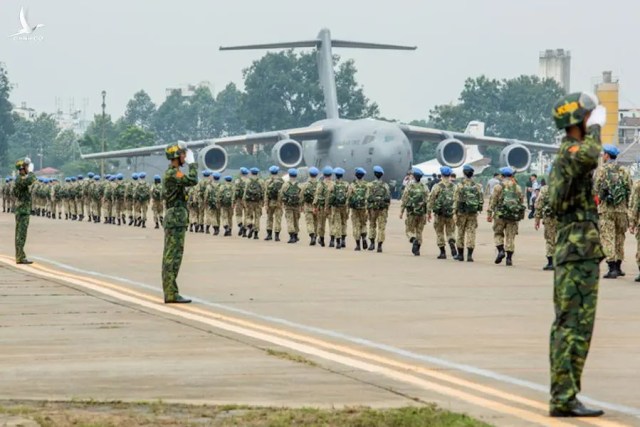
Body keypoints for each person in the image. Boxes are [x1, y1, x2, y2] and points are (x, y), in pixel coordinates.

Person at [548, 92, 606, 418]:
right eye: (588, 117)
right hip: (576, 250)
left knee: (577, 327)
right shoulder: (571, 152)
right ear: (578, 121)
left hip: (579, 250)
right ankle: (563, 397)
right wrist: (596, 130)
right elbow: (589, 156)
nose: (592, 121)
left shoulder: (570, 153)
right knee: (572, 326)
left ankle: (567, 395)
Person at [162, 142, 197, 304]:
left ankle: (172, 292)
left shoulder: (174, 173)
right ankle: (170, 293)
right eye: (183, 154)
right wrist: (193, 164)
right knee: (172, 256)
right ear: (176, 156)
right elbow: (193, 180)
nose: (185, 156)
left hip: (177, 218)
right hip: (175, 218)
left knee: (175, 255)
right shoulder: (172, 174)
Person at [594, 144, 632, 279]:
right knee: (620, 237)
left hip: (606, 209)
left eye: (604, 154)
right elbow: (629, 189)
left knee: (608, 237)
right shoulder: (624, 170)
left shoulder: (601, 170)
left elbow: (596, 189)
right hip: (622, 210)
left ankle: (611, 269)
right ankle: (618, 266)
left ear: (607, 155)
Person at [487, 167, 525, 266]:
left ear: (502, 176)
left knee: (498, 233)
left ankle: (501, 251)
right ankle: (509, 259)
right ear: (512, 176)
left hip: (500, 215)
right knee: (510, 236)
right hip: (513, 215)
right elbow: (521, 201)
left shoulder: (498, 186)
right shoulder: (517, 187)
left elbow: (493, 201)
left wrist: (489, 214)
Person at [453, 164, 483, 262]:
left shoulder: (459, 185)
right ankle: (469, 256)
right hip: (473, 213)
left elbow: (456, 200)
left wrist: (454, 212)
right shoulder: (477, 186)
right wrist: (478, 209)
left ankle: (460, 255)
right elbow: (480, 200)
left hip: (461, 212)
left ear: (464, 173)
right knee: (471, 233)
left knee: (460, 233)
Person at [429, 166, 457, 259]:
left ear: (441, 175)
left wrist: (428, 212)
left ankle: (442, 252)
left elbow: (431, 199)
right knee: (451, 231)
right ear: (450, 175)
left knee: (439, 232)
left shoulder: (437, 186)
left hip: (439, 213)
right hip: (451, 213)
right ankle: (452, 243)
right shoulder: (454, 186)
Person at [400, 168, 429, 256]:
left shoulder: (409, 186)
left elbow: (404, 199)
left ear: (414, 177)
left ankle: (413, 240)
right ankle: (417, 250)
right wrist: (428, 213)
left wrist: (401, 211)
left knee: (409, 230)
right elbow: (428, 200)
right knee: (419, 231)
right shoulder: (425, 187)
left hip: (411, 212)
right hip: (422, 212)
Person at [13, 157, 36, 264]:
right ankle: (20, 257)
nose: (28, 168)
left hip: (22, 210)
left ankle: (20, 255)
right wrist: (31, 172)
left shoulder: (20, 178)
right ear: (22, 168)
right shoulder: (20, 179)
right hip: (22, 211)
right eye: (26, 166)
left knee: (20, 234)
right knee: (21, 234)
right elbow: (30, 180)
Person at [534, 168, 557, 271]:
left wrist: (537, 219)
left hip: (549, 218)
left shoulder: (544, 189)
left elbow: (539, 204)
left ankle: (551, 262)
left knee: (550, 239)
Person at [367, 165, 391, 253]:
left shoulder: (370, 185)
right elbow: (388, 198)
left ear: (374, 174)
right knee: (381, 227)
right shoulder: (385, 185)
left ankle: (372, 243)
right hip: (382, 209)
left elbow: (367, 198)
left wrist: (368, 209)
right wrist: (386, 209)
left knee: (372, 225)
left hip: (373, 209)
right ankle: (379, 246)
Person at [327, 167, 349, 249]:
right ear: (342, 175)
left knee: (336, 223)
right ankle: (343, 240)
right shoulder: (346, 184)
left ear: (335, 175)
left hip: (335, 207)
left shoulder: (332, 184)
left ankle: (337, 242)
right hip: (344, 206)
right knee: (344, 223)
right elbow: (349, 195)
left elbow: (328, 196)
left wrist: (327, 207)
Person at [348, 167, 369, 251]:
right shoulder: (367, 185)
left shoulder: (352, 185)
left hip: (355, 209)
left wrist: (348, 207)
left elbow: (348, 196)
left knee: (356, 225)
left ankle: (357, 245)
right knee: (363, 224)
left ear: (356, 175)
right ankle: (364, 237)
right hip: (364, 208)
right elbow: (368, 197)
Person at [280, 168, 303, 243]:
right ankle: (296, 236)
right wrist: (301, 206)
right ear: (296, 175)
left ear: (289, 175)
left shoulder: (285, 185)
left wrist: (282, 203)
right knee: (296, 221)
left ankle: (292, 236)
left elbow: (281, 195)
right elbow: (302, 197)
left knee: (290, 220)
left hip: (288, 206)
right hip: (297, 206)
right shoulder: (300, 185)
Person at [313, 166, 333, 247]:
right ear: (331, 175)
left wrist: (314, 206)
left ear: (324, 175)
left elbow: (317, 196)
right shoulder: (333, 184)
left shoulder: (320, 184)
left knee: (321, 224)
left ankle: (322, 240)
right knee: (332, 224)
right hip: (331, 208)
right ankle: (332, 240)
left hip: (321, 207)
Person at [243, 167, 264, 239]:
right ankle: (256, 234)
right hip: (258, 202)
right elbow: (263, 191)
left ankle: (250, 226)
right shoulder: (261, 181)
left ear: (251, 173)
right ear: (257, 173)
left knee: (249, 216)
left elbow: (245, 191)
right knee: (257, 217)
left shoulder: (248, 181)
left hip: (249, 202)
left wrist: (244, 200)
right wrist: (263, 201)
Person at [264, 165, 284, 242]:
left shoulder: (268, 181)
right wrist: (281, 202)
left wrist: (266, 204)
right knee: (278, 219)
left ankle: (269, 235)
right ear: (277, 172)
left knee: (269, 218)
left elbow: (266, 193)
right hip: (278, 203)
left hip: (270, 203)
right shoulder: (281, 181)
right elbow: (282, 192)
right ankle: (277, 236)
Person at [302, 167, 320, 245]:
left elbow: (301, 195)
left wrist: (301, 205)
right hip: (317, 207)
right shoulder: (320, 184)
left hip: (308, 206)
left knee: (309, 222)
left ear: (309, 174)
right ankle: (315, 236)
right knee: (316, 222)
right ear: (317, 175)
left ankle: (312, 236)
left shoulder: (305, 184)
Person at [234, 167, 249, 236]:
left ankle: (240, 225)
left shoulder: (237, 181)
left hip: (239, 200)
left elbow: (235, 191)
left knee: (238, 214)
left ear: (241, 173)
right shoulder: (249, 181)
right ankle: (245, 232)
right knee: (246, 215)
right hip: (247, 200)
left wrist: (233, 200)